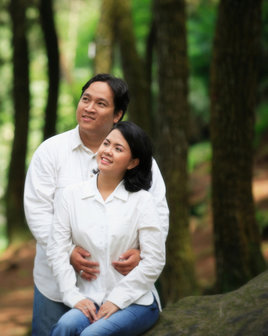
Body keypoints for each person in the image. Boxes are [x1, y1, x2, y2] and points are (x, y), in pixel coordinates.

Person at [24, 74, 169, 335]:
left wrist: (143, 253)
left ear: (118, 115)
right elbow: (37, 211)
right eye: (85, 99)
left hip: (120, 286)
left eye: (101, 103)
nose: (89, 107)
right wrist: (67, 250)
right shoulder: (51, 152)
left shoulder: (143, 165)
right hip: (56, 284)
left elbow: (158, 213)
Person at [47, 121, 165, 336]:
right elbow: (57, 250)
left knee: (91, 335)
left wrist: (117, 300)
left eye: (118, 149)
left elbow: (155, 260)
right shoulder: (70, 196)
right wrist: (73, 297)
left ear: (132, 162)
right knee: (65, 327)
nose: (108, 151)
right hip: (90, 297)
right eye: (107, 143)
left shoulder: (142, 201)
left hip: (137, 300)